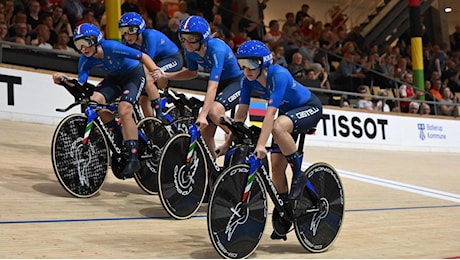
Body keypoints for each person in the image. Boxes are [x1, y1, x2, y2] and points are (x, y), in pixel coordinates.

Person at [220, 40, 323, 240]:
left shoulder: (279, 75)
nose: (246, 69)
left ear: (263, 63)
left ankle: (299, 175)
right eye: (242, 64)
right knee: (276, 168)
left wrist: (261, 145)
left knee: (277, 126)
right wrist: (228, 141)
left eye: (251, 64)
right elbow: (241, 114)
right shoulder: (246, 80)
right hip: (288, 113)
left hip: (309, 107)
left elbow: (270, 114)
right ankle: (286, 210)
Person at [52, 23, 159, 179]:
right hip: (115, 79)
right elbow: (80, 85)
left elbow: (142, 56)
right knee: (95, 103)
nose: (83, 48)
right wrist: (64, 80)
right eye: (78, 44)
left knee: (124, 110)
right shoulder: (85, 60)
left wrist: (155, 71)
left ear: (96, 40)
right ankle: (119, 137)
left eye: (86, 42)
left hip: (133, 75)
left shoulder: (112, 47)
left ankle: (134, 157)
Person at [151, 15, 243, 157]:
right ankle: (214, 172)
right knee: (206, 133)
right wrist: (166, 75)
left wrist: (203, 114)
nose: (187, 43)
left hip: (236, 82)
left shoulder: (216, 50)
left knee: (213, 111)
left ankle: (237, 137)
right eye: (184, 38)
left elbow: (212, 87)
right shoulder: (190, 49)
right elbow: (191, 73)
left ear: (203, 38)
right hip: (219, 84)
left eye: (192, 39)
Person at [118, 12, 184, 119]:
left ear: (139, 30)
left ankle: (159, 115)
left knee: (148, 78)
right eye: (123, 31)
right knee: (143, 101)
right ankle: (152, 127)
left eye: (131, 31)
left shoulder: (149, 36)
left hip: (172, 58)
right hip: (156, 61)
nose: (127, 35)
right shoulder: (127, 41)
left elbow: (147, 62)